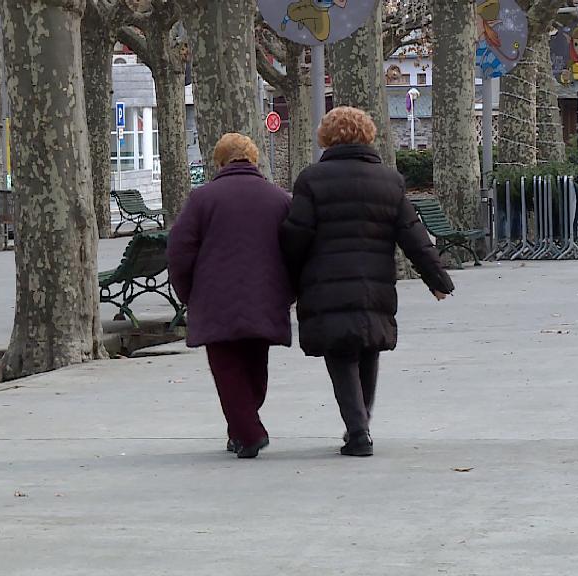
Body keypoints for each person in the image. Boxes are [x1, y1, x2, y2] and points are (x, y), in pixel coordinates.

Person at [280, 107, 454, 457]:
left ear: (326, 137)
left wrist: (287, 279)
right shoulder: (389, 181)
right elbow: (413, 235)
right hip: (374, 283)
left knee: (340, 353)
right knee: (368, 347)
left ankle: (358, 430)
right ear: (369, 135)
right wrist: (437, 279)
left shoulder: (311, 179)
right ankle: (361, 425)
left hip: (325, 283)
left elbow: (296, 235)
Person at [167, 133, 294, 459]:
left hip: (214, 299)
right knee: (255, 367)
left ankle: (249, 432)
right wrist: (290, 291)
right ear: (254, 160)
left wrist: (188, 294)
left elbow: (180, 251)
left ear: (220, 163)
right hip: (265, 296)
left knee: (227, 370)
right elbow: (296, 249)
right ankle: (240, 428)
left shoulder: (202, 199)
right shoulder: (279, 199)